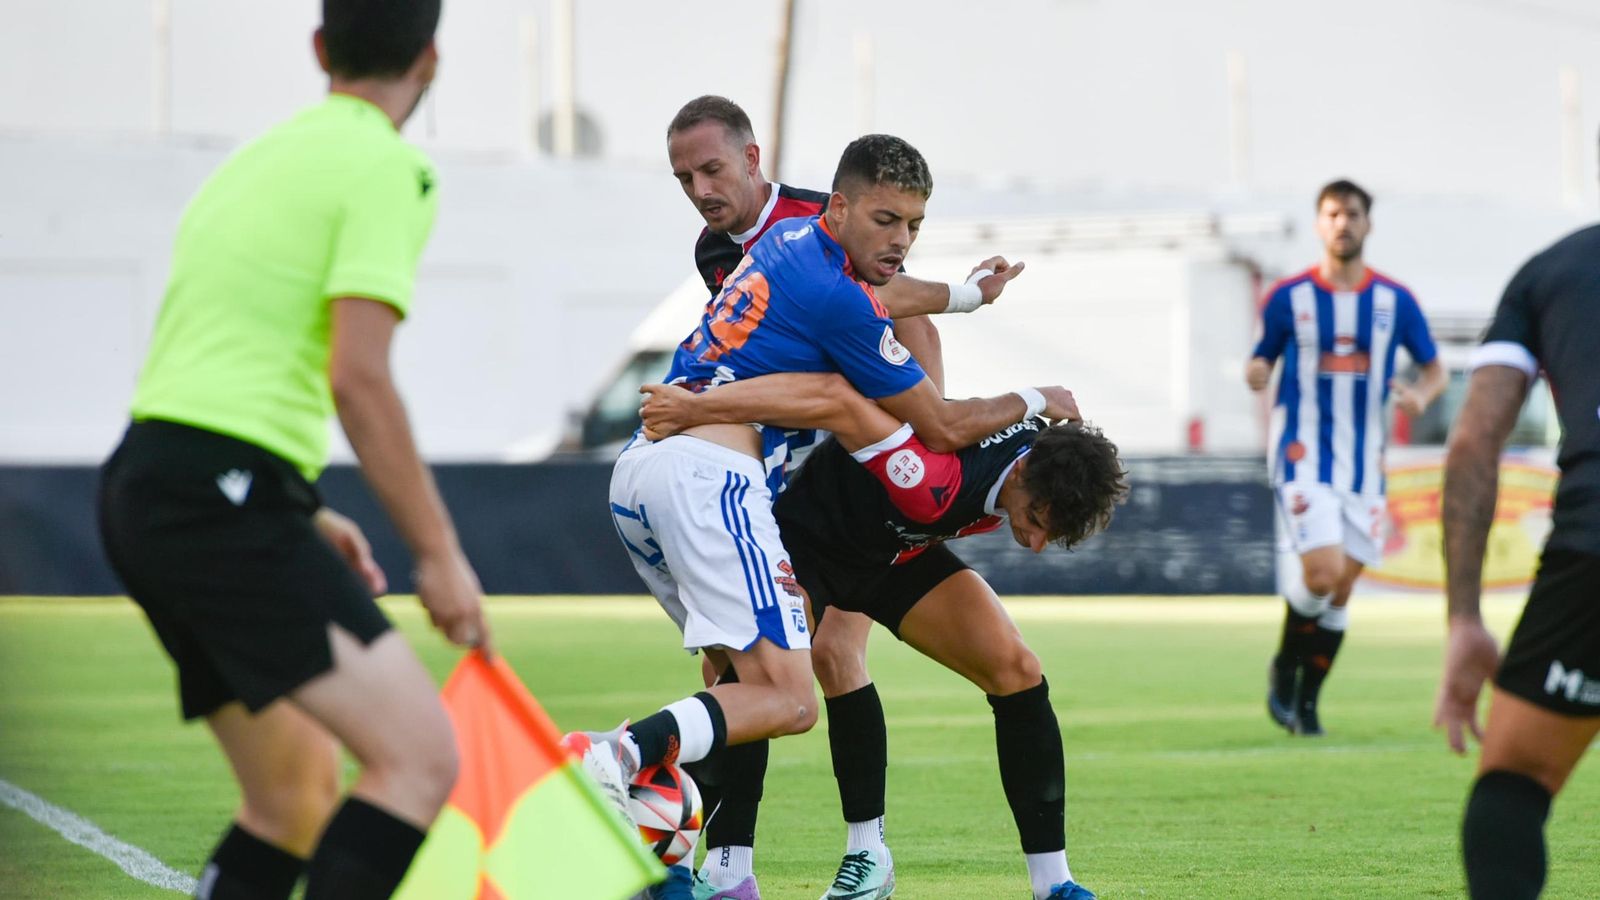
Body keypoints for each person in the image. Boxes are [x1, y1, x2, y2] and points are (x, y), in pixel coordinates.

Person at [582, 133, 1077, 899]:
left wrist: (970, 296)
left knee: (749, 688)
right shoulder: (845, 309)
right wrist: (1037, 398)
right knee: (785, 697)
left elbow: (891, 304)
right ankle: (617, 761)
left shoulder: (792, 243)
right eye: (887, 221)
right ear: (838, 207)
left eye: (913, 225)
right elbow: (923, 420)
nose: (902, 240)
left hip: (648, 477)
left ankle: (680, 872)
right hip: (717, 474)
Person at [96, 3, 489, 898]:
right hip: (217, 498)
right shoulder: (389, 168)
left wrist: (303, 507)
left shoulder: (252, 162)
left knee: (295, 795)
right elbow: (359, 377)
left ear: (320, 50)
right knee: (422, 759)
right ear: (431, 59)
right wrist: (439, 556)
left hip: (150, 482)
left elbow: (214, 359)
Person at [663, 95, 1019, 898]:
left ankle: (864, 853)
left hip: (858, 481)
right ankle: (728, 868)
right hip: (771, 483)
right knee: (737, 662)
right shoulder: (718, 250)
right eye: (684, 176)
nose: (700, 188)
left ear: (754, 159)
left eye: (712, 169)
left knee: (826, 655)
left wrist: (907, 453)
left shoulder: (816, 220)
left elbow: (896, 323)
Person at [640, 370, 1124, 900]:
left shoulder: (1047, 459)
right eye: (1036, 519)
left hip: (894, 553)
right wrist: (697, 410)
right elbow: (838, 404)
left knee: (1017, 670)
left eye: (1048, 534)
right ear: (1021, 474)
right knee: (748, 684)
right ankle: (712, 872)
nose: (1034, 542)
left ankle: (1054, 885)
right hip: (808, 542)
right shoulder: (933, 477)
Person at [1436, 210, 1600, 898]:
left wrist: (1465, 619)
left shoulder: (1552, 272)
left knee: (1516, 784)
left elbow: (1475, 438)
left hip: (1592, 552)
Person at [1246, 179, 1445, 736]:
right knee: (1323, 570)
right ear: (1319, 224)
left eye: (1352, 214)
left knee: (1341, 589)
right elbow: (1259, 361)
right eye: (1332, 214)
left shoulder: (1394, 301)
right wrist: (1256, 373)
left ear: (1367, 224)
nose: (1343, 223)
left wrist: (1421, 396)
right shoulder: (1289, 298)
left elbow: (1434, 370)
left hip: (1364, 465)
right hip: (1302, 455)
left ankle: (1308, 703)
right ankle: (1286, 667)